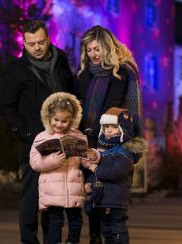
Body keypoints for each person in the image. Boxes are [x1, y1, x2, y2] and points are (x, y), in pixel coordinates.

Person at [0, 20, 74, 244]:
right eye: (31, 44)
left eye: (41, 42)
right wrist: (29, 135)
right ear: (25, 43)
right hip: (33, 143)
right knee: (31, 198)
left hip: (61, 139)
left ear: (48, 39)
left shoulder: (61, 62)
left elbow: (72, 95)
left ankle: (53, 240)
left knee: (54, 198)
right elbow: (6, 108)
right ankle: (29, 241)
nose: (37, 48)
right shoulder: (16, 70)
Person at [74, 25, 142, 244]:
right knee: (91, 199)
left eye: (96, 49)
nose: (92, 54)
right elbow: (78, 107)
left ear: (107, 47)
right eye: (88, 50)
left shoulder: (124, 71)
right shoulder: (84, 73)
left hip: (112, 145)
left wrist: (133, 145)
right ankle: (95, 238)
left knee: (113, 203)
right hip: (87, 142)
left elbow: (132, 109)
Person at [29, 92, 99, 244]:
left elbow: (83, 159)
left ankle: (72, 241)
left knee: (76, 221)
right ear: (49, 117)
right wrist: (53, 160)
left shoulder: (78, 135)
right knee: (55, 222)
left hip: (74, 186)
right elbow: (35, 162)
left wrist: (92, 163)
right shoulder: (42, 137)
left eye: (64, 121)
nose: (59, 124)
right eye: (56, 120)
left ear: (71, 120)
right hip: (52, 190)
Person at [83, 107, 147, 244]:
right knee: (107, 232)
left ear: (123, 129)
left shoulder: (125, 151)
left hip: (115, 200)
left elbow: (115, 172)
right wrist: (89, 183)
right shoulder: (106, 150)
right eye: (106, 127)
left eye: (113, 127)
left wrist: (94, 168)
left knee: (118, 231)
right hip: (104, 200)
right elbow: (100, 173)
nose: (109, 130)